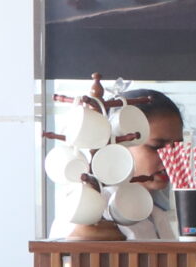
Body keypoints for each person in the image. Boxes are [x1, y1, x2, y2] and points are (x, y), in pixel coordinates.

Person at [52, 87, 184, 241]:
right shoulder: (89, 209)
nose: (171, 158)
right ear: (119, 144)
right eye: (156, 147)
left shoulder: (157, 211)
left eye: (177, 147)